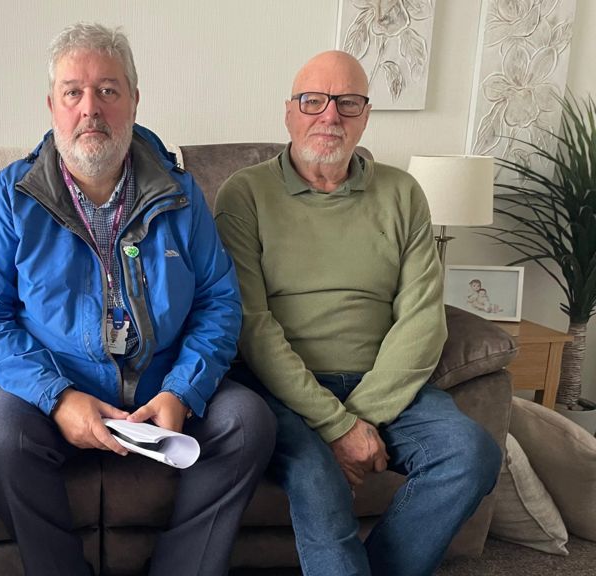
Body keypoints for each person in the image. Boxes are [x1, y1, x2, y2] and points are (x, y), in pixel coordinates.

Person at [0, 22, 275, 576]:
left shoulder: (181, 194)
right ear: (52, 106)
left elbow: (219, 302)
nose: (91, 109)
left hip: (161, 385)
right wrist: (57, 397)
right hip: (52, 388)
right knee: (1, 431)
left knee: (249, 422)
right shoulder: (11, 196)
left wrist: (182, 391)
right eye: (73, 93)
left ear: (134, 100)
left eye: (108, 90)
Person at [214, 50, 502, 576]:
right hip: (281, 391)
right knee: (317, 479)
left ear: (365, 115)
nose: (330, 116)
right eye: (313, 101)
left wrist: (357, 419)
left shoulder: (402, 193)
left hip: (381, 385)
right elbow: (251, 324)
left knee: (471, 454)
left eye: (348, 102)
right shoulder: (245, 193)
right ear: (288, 111)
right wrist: (335, 424)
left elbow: (422, 319)